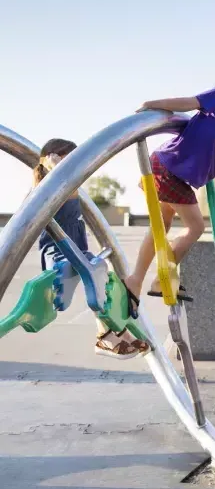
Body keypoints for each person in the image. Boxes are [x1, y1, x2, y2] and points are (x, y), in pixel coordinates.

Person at [123, 65, 215, 307]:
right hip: (168, 167)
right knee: (195, 226)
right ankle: (162, 278)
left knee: (161, 225)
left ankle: (137, 280)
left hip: (173, 171)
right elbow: (191, 102)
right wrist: (152, 103)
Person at [34, 139, 148, 359]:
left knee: (105, 276)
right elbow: (59, 189)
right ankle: (105, 337)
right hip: (59, 257)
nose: (80, 164)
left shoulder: (70, 185)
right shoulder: (47, 188)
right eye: (73, 159)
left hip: (76, 253)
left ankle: (115, 329)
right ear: (53, 159)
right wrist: (55, 168)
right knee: (94, 271)